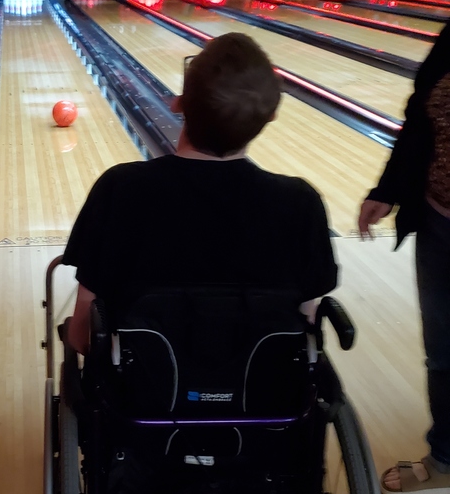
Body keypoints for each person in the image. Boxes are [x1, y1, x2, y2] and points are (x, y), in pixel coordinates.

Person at [63, 31, 338, 358]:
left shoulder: (120, 188)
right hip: (265, 395)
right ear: (270, 115)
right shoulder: (300, 203)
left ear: (177, 103)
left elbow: (82, 336)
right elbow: (303, 335)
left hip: (141, 397)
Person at [358, 21, 450, 494]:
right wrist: (388, 190)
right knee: (445, 351)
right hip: (441, 220)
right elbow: (422, 117)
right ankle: (447, 459)